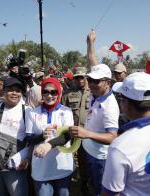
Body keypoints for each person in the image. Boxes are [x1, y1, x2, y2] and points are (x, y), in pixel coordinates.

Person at [69, 30, 120, 195]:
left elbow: (113, 137)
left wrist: (87, 133)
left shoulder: (110, 106)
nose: (90, 84)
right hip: (90, 151)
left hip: (100, 158)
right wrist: (90, 43)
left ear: (107, 82)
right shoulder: (98, 92)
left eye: (95, 81)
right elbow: (93, 63)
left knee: (100, 190)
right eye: (89, 79)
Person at [25, 77, 74, 196]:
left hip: (63, 166)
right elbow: (29, 138)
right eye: (45, 92)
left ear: (59, 93)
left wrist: (49, 144)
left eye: (53, 92)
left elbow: (68, 135)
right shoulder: (32, 113)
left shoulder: (66, 111)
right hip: (41, 168)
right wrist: (41, 137)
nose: (49, 95)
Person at [62, 66, 92, 195]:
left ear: (86, 77)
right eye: (77, 77)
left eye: (82, 77)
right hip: (75, 134)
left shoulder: (94, 92)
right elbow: (63, 111)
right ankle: (83, 185)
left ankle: (90, 184)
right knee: (79, 160)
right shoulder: (68, 94)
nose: (80, 80)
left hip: (91, 134)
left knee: (91, 161)